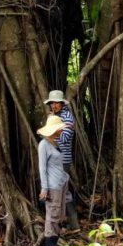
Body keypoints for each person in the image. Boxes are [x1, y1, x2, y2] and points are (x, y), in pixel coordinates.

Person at [44, 90, 80, 231]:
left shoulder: (67, 118)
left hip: (62, 160)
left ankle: (71, 223)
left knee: (62, 191)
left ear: (62, 103)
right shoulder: (54, 117)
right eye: (52, 103)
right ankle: (64, 222)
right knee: (60, 191)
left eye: (57, 103)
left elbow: (65, 138)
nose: (54, 105)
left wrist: (51, 131)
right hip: (52, 159)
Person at [37, 115, 69, 246]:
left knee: (59, 214)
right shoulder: (43, 145)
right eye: (59, 129)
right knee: (52, 215)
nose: (61, 130)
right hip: (52, 186)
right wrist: (45, 188)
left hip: (61, 184)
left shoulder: (55, 143)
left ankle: (54, 245)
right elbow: (42, 168)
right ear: (54, 130)